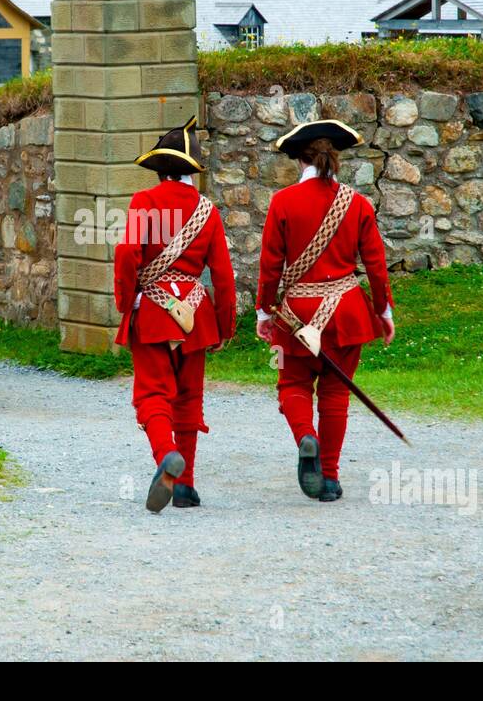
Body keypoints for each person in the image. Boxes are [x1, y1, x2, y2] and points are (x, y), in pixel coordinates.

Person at [255, 120, 395, 502]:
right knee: (335, 395)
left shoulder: (282, 202)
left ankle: (306, 438)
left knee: (292, 386)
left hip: (296, 314)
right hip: (346, 311)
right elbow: (376, 266)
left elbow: (269, 266)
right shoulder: (359, 203)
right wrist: (383, 313)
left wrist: (265, 313)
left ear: (300, 160)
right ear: (335, 158)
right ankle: (330, 479)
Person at [113, 117, 237, 513]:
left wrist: (126, 302)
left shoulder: (144, 203)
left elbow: (126, 256)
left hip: (152, 312)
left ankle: (167, 455)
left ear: (161, 169)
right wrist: (225, 324)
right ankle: (185, 488)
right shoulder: (209, 211)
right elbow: (223, 274)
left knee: (152, 394)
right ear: (191, 171)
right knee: (188, 399)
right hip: (197, 317)